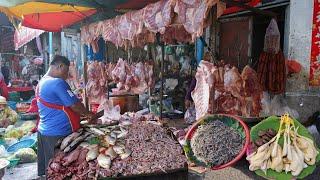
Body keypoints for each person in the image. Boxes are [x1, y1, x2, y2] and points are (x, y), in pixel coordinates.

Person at [36, 55, 94, 177]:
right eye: (66, 71)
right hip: (57, 134)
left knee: (51, 170)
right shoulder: (57, 83)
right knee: (60, 171)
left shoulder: (42, 81)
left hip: (45, 132)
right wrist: (89, 114)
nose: (67, 76)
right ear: (60, 66)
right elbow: (74, 105)